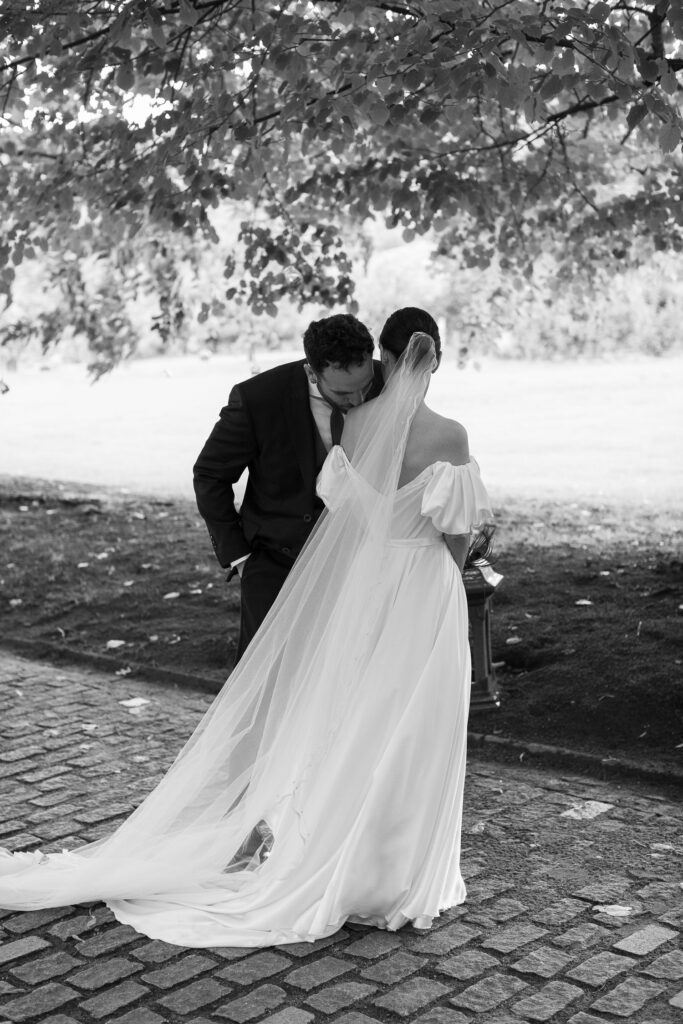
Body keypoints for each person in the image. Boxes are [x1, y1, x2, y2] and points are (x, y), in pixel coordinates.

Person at [0, 308, 492, 948]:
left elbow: (348, 510)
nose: (352, 394)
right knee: (371, 719)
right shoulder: (427, 430)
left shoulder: (362, 419)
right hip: (383, 582)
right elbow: (453, 535)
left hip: (362, 585)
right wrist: (240, 550)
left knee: (356, 718)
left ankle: (327, 848)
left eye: (363, 378)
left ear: (384, 361)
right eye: (340, 388)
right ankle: (316, 846)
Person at [193, 313, 384, 660]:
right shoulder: (259, 399)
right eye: (343, 391)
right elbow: (209, 474)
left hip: (363, 568)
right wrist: (241, 557)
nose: (358, 400)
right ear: (312, 373)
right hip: (276, 566)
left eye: (364, 386)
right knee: (266, 687)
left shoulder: (387, 383)